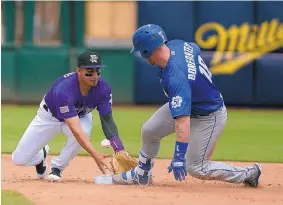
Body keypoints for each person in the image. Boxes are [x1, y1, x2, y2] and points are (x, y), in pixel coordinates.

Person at [112, 24, 262, 187]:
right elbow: (194, 48)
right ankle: (142, 175)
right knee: (150, 130)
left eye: (141, 50)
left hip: (208, 115)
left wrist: (179, 156)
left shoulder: (176, 76)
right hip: (192, 101)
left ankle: (249, 173)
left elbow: (182, 121)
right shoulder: (178, 44)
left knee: (197, 168)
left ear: (147, 51)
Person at [12, 51, 129, 182]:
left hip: (81, 115)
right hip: (49, 117)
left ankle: (57, 168)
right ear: (78, 70)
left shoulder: (104, 89)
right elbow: (75, 130)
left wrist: (119, 149)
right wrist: (95, 155)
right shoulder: (64, 89)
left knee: (84, 131)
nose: (94, 76)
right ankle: (41, 156)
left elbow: (107, 120)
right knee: (18, 160)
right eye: (89, 72)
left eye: (98, 71)